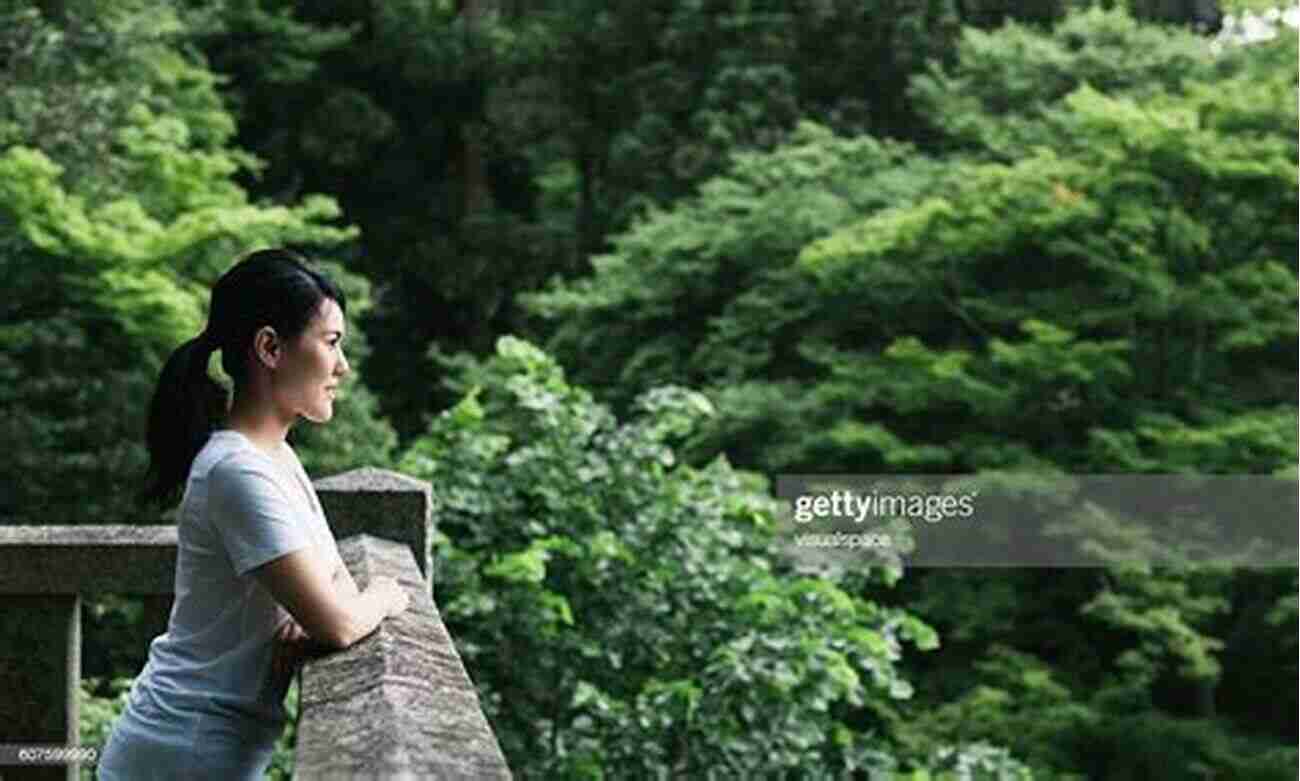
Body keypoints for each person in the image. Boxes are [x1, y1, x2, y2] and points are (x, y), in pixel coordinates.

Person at [96, 248, 410, 780]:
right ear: (270, 347)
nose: (343, 366)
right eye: (331, 343)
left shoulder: (274, 458)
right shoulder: (235, 472)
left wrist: (323, 612)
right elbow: (337, 620)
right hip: (183, 750)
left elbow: (329, 586)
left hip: (209, 746)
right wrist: (385, 596)